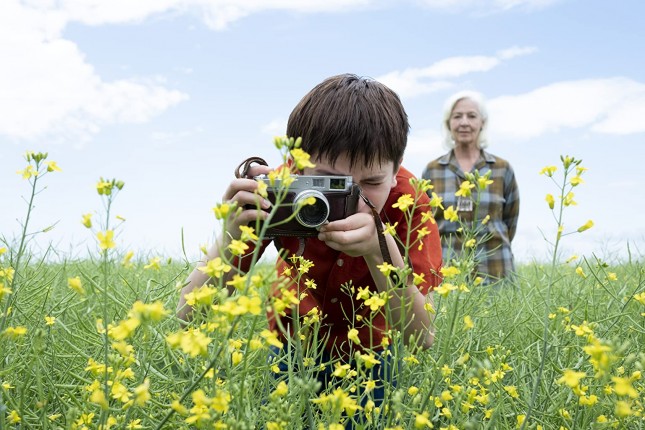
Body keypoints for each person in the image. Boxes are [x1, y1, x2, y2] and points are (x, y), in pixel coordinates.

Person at [177, 73, 443, 420]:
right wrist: (231, 235)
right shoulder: (278, 190)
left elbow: (421, 338)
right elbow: (188, 313)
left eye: (372, 182)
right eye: (329, 182)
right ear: (296, 166)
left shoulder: (410, 200)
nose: (352, 198)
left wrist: (380, 249)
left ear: (396, 172)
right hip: (292, 343)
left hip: (373, 350)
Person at [422, 90, 519, 283]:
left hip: (496, 271)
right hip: (447, 273)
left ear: (482, 122)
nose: (464, 122)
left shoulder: (502, 169)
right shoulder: (432, 171)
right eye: (457, 116)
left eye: (472, 116)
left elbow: (510, 222)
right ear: (448, 124)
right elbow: (424, 222)